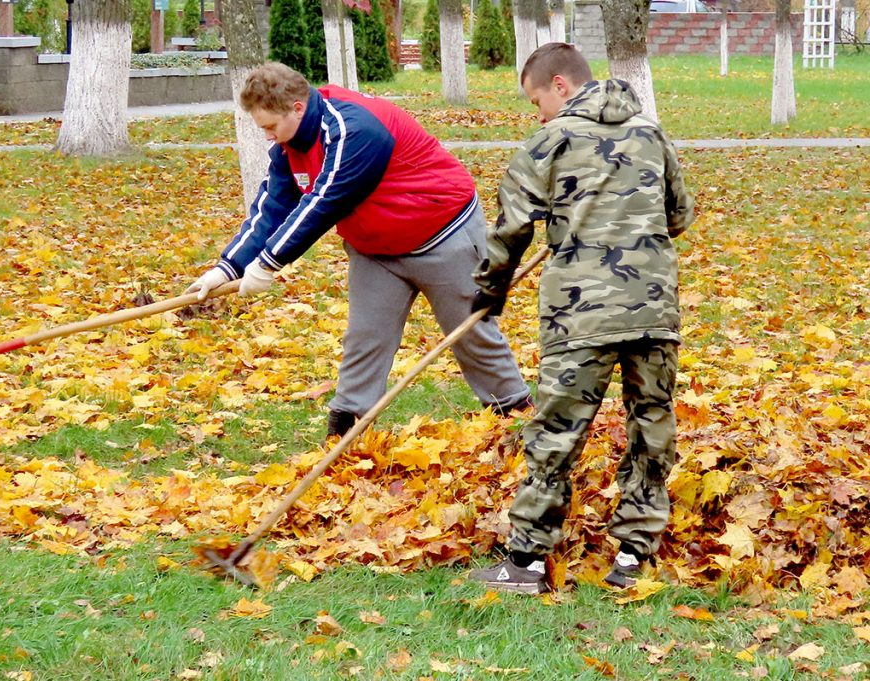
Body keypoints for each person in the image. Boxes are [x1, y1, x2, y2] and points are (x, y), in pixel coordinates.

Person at [188, 62, 532, 438]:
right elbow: (272, 206)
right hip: (376, 249)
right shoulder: (288, 147)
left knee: (471, 333)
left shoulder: (355, 129)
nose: (269, 136)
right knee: (365, 338)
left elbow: (325, 202)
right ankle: (347, 435)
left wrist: (269, 263)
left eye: (270, 126)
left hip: (442, 234)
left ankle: (517, 418)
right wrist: (228, 267)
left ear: (297, 108)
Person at [468, 43, 694, 594]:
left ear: (560, 86)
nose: (537, 113)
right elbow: (679, 215)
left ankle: (526, 563)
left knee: (556, 432)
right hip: (653, 307)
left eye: (536, 101)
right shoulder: (651, 133)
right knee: (651, 423)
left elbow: (510, 229)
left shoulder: (548, 141)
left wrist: (490, 291)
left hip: (579, 313)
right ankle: (634, 558)